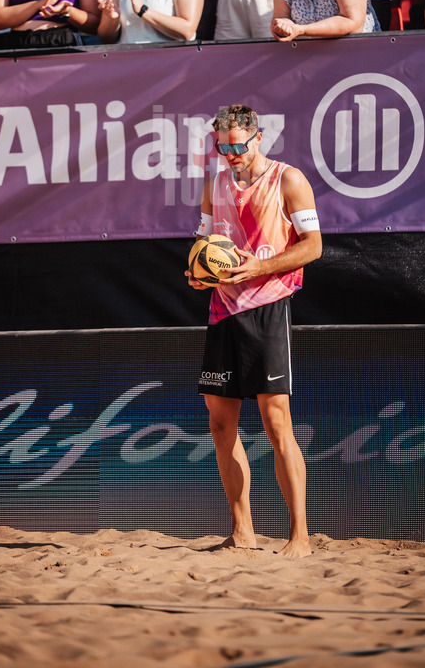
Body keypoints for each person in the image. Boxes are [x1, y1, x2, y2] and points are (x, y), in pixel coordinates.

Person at [186, 103, 322, 558]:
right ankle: (242, 531)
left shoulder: (288, 179)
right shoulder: (214, 184)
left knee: (276, 422)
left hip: (267, 306)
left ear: (259, 138)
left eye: (239, 146)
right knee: (221, 424)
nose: (232, 154)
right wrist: (198, 272)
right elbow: (204, 246)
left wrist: (260, 266)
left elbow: (314, 248)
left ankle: (299, 536)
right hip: (222, 310)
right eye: (223, 148)